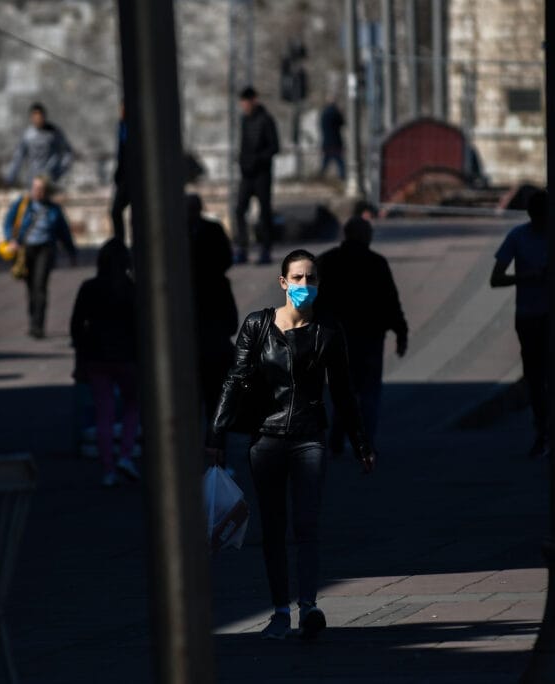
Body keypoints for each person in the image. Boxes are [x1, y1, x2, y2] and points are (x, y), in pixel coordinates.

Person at [208, 249, 376, 641]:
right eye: (297, 278)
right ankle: (280, 611)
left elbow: (344, 393)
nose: (304, 285)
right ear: (283, 282)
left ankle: (309, 606)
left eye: (311, 278)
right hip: (265, 439)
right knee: (273, 527)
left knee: (307, 523)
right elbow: (233, 381)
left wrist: (362, 442)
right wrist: (214, 436)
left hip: (308, 437)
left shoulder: (329, 331)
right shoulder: (258, 326)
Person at [316, 216, 408, 454]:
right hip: (369, 336)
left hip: (336, 337)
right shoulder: (376, 263)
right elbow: (390, 300)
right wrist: (401, 332)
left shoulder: (327, 262)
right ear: (365, 236)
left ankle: (337, 435)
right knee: (369, 392)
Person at [70, 239, 140, 486]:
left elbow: (77, 325)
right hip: (127, 357)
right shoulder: (131, 290)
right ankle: (126, 454)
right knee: (132, 406)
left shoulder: (89, 287)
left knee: (104, 412)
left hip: (96, 355)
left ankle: (108, 467)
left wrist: (80, 355)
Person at [490, 191, 549, 458]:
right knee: (536, 377)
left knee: (548, 376)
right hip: (529, 315)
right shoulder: (518, 236)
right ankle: (543, 429)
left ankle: (551, 428)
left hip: (551, 315)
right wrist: (528, 276)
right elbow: (496, 278)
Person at [187, 194, 239, 431]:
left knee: (210, 396)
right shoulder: (182, 231)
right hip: (210, 342)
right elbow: (231, 322)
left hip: (205, 341)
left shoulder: (209, 230)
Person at [2, 175, 77, 339]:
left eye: (41, 189)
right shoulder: (23, 204)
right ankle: (32, 319)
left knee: (40, 286)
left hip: (45, 248)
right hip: (26, 249)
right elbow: (8, 222)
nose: (37, 192)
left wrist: (71, 252)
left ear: (46, 191)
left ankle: (38, 326)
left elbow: (64, 232)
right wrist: (11, 240)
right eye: (35, 188)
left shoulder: (54, 209)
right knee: (30, 287)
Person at [234, 86, 280, 265]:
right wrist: (243, 161)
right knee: (239, 210)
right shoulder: (244, 120)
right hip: (247, 174)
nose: (244, 106)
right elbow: (243, 145)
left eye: (246, 102)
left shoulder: (266, 120)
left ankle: (265, 249)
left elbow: (274, 147)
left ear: (253, 100)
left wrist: (258, 159)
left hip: (262, 173)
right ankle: (242, 248)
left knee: (264, 212)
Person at [5, 102, 73, 186]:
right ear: (31, 118)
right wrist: (11, 176)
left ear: (44, 117)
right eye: (35, 117)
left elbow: (67, 152)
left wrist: (60, 170)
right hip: (33, 179)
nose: (38, 119)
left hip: (50, 178)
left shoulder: (54, 133)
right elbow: (18, 156)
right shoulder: (28, 135)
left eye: (40, 117)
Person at [111, 102, 130, 242]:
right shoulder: (122, 125)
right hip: (124, 175)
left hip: (133, 176)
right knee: (115, 211)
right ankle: (120, 242)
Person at [319, 98, 345, 180]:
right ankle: (342, 176)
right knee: (340, 162)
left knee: (326, 161)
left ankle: (321, 176)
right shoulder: (336, 113)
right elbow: (342, 122)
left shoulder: (324, 114)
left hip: (326, 141)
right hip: (336, 141)